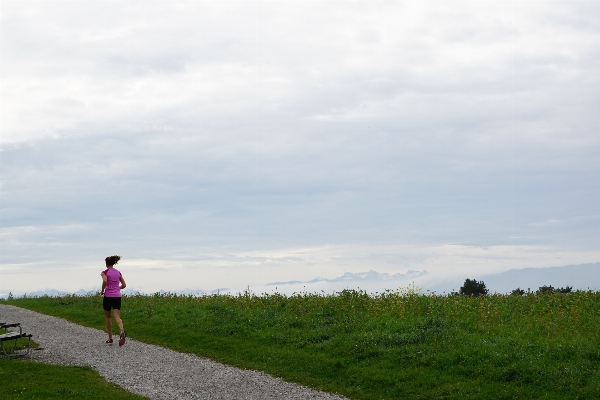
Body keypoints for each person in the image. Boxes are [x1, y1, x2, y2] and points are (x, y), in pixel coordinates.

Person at [101, 255, 127, 346]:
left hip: (108, 296)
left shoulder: (105, 272)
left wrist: (102, 290)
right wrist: (117, 288)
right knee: (117, 316)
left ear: (106, 263)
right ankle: (122, 331)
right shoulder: (118, 272)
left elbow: (104, 281)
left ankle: (110, 338)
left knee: (108, 317)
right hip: (117, 296)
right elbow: (124, 285)